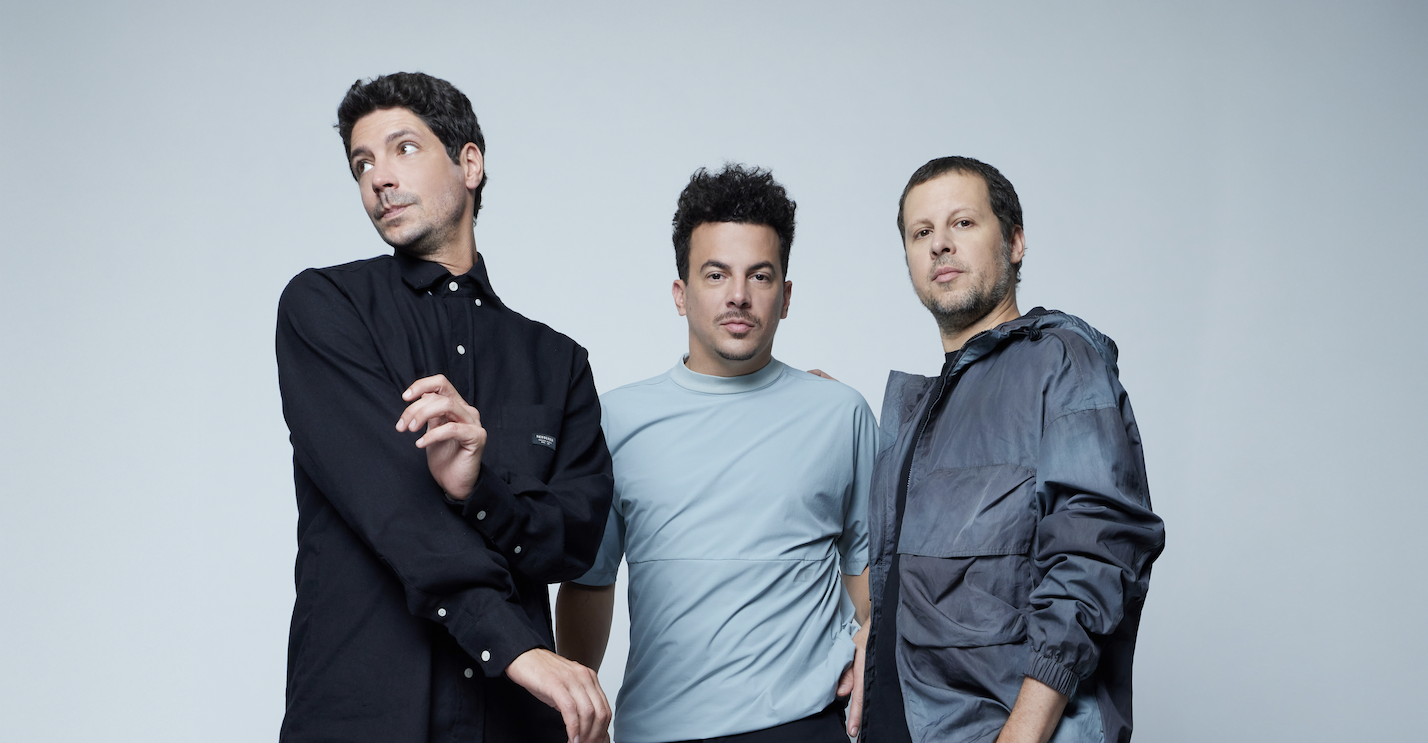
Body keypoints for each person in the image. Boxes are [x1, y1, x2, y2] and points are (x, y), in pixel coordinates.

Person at [275, 72, 614, 743]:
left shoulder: (558, 362)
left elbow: (574, 541)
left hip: (512, 727)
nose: (378, 178)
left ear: (470, 164)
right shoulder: (324, 308)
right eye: (361, 163)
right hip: (360, 719)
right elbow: (394, 505)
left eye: (403, 148)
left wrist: (481, 491)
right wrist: (514, 645)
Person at [554, 165, 877, 743]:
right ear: (681, 295)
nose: (738, 296)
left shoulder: (841, 414)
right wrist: (576, 715)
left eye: (760, 275)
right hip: (659, 730)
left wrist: (868, 649)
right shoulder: (614, 420)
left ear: (785, 297)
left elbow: (870, 581)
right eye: (716, 274)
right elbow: (591, 582)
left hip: (803, 726)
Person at [860, 157, 1166, 743]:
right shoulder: (920, 411)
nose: (940, 245)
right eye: (921, 232)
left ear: (1015, 242)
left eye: (963, 223)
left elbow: (1096, 553)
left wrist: (1023, 734)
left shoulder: (1060, 360)